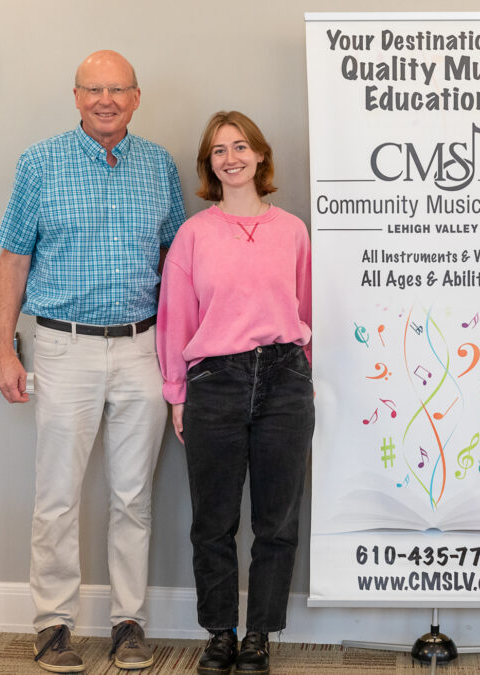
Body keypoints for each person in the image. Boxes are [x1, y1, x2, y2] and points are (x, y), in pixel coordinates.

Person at [0, 50, 185, 672]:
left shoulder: (159, 165)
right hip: (62, 346)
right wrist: (3, 349)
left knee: (133, 497)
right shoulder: (39, 163)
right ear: (76, 97)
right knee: (57, 496)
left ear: (136, 97)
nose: (106, 99)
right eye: (94, 89)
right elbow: (13, 260)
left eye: (118, 89)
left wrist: (183, 361)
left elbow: (180, 267)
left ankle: (129, 621)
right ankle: (53, 624)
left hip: (142, 349)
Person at [156, 111, 314, 675]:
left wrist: (300, 371)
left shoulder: (292, 230)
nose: (231, 158)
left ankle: (260, 636)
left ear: (261, 156)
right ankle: (220, 633)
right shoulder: (193, 235)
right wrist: (178, 393)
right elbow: (175, 319)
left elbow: (306, 307)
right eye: (219, 150)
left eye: (241, 146)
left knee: (277, 521)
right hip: (214, 385)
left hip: (283, 381)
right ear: (210, 165)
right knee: (213, 520)